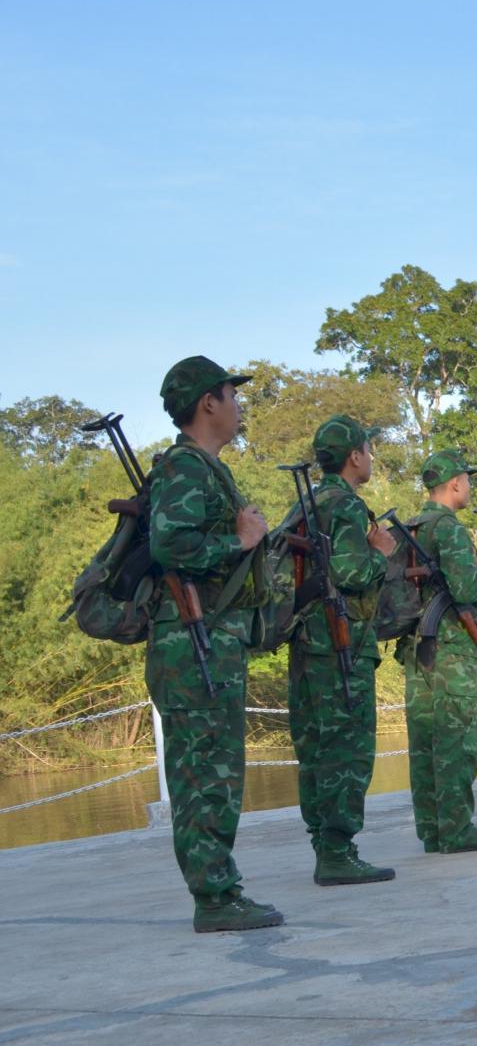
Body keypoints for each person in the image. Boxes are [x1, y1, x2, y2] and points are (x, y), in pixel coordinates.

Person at [148, 356, 276, 932]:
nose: (238, 404)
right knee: (204, 771)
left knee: (218, 770)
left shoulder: (204, 468)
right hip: (190, 641)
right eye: (232, 394)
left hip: (211, 639)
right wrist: (240, 538)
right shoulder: (186, 468)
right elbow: (170, 546)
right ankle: (215, 898)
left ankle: (220, 889)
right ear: (208, 403)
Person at [292, 415, 398, 885]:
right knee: (347, 748)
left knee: (316, 747)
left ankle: (323, 845)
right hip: (341, 646)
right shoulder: (348, 507)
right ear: (355, 456)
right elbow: (353, 575)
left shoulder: (308, 503)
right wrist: (381, 552)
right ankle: (337, 851)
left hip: (307, 643)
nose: (370, 459)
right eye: (368, 451)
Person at [400, 451, 477, 854]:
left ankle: (432, 830)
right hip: (450, 650)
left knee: (425, 742)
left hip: (417, 649)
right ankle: (457, 829)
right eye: (467, 479)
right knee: (456, 741)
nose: (469, 486)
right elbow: (467, 590)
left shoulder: (414, 525)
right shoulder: (448, 528)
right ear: (455, 483)